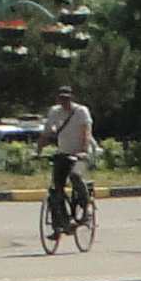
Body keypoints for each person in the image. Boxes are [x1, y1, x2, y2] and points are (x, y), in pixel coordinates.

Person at [42, 88, 95, 216]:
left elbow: (86, 132)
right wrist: (38, 150)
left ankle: (86, 205)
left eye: (66, 98)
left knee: (75, 175)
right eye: (61, 98)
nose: (64, 101)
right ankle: (61, 218)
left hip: (81, 154)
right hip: (63, 153)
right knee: (57, 185)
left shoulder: (81, 111)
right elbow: (46, 132)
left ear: (72, 98)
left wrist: (83, 151)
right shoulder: (54, 111)